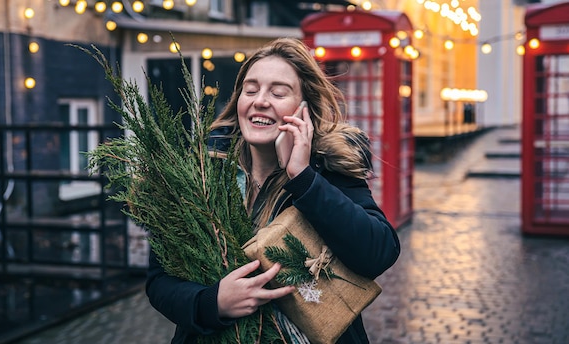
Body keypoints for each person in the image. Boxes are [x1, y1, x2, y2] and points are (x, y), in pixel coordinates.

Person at [146, 37, 400, 343]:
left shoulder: (327, 170)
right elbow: (159, 279)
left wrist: (302, 177)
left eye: (278, 92)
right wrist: (211, 303)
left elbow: (378, 253)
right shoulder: (202, 171)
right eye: (250, 90)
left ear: (304, 108)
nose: (260, 100)